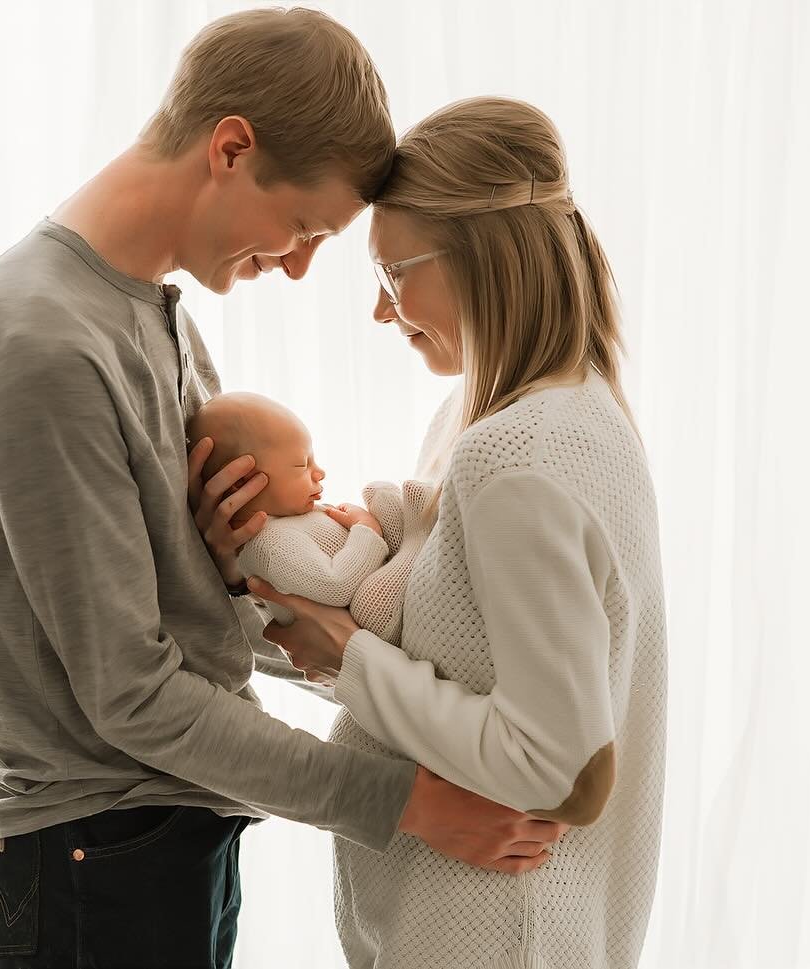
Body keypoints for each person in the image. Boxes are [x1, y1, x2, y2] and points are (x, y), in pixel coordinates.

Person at [0, 11, 565, 968]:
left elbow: (171, 623)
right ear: (230, 147)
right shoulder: (43, 345)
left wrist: (241, 583)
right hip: (92, 852)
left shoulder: (152, 315)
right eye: (304, 229)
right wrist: (406, 803)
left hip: (165, 824)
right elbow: (131, 694)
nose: (302, 266)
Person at [241, 97, 669, 968]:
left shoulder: (518, 454)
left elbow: (554, 768)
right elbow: (449, 687)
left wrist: (346, 655)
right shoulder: (517, 419)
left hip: (490, 938)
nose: (379, 311)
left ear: (485, 259)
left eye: (394, 275)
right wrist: (304, 623)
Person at [186, 390, 433, 644]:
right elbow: (337, 585)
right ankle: (417, 542)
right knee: (370, 603)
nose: (320, 472)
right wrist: (366, 529)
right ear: (242, 483)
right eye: (303, 465)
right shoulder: (269, 546)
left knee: (380, 496)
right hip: (375, 623)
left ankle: (416, 543)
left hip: (381, 577)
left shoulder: (293, 515)